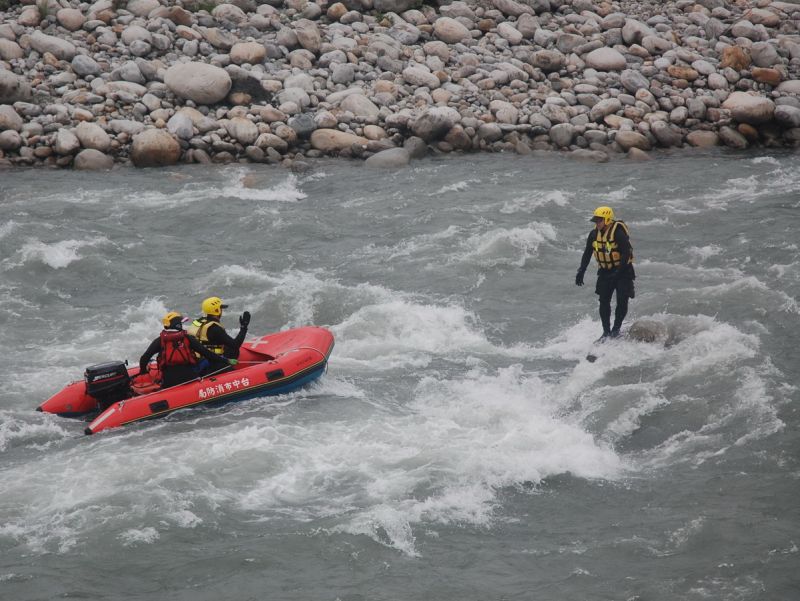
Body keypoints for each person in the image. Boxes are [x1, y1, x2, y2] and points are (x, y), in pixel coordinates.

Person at [575, 206, 636, 340]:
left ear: (607, 220)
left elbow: (626, 252)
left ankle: (616, 329)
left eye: (599, 221)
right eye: (595, 221)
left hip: (623, 271)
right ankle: (606, 332)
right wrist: (581, 270)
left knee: (621, 300)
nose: (597, 224)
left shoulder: (618, 233)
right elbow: (587, 253)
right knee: (603, 301)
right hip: (605, 272)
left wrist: (619, 271)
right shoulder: (593, 234)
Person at [139, 311, 234, 389]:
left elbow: (144, 358)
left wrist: (144, 372)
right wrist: (226, 360)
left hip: (169, 381)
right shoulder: (187, 338)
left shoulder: (160, 341)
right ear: (178, 325)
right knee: (213, 363)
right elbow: (208, 354)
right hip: (190, 378)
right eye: (181, 323)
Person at [187, 296, 250, 365]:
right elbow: (235, 345)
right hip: (211, 360)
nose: (222, 311)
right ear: (217, 310)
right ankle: (227, 368)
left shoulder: (199, 321)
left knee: (225, 345)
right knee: (234, 350)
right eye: (221, 308)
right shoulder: (215, 328)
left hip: (196, 356)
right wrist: (244, 327)